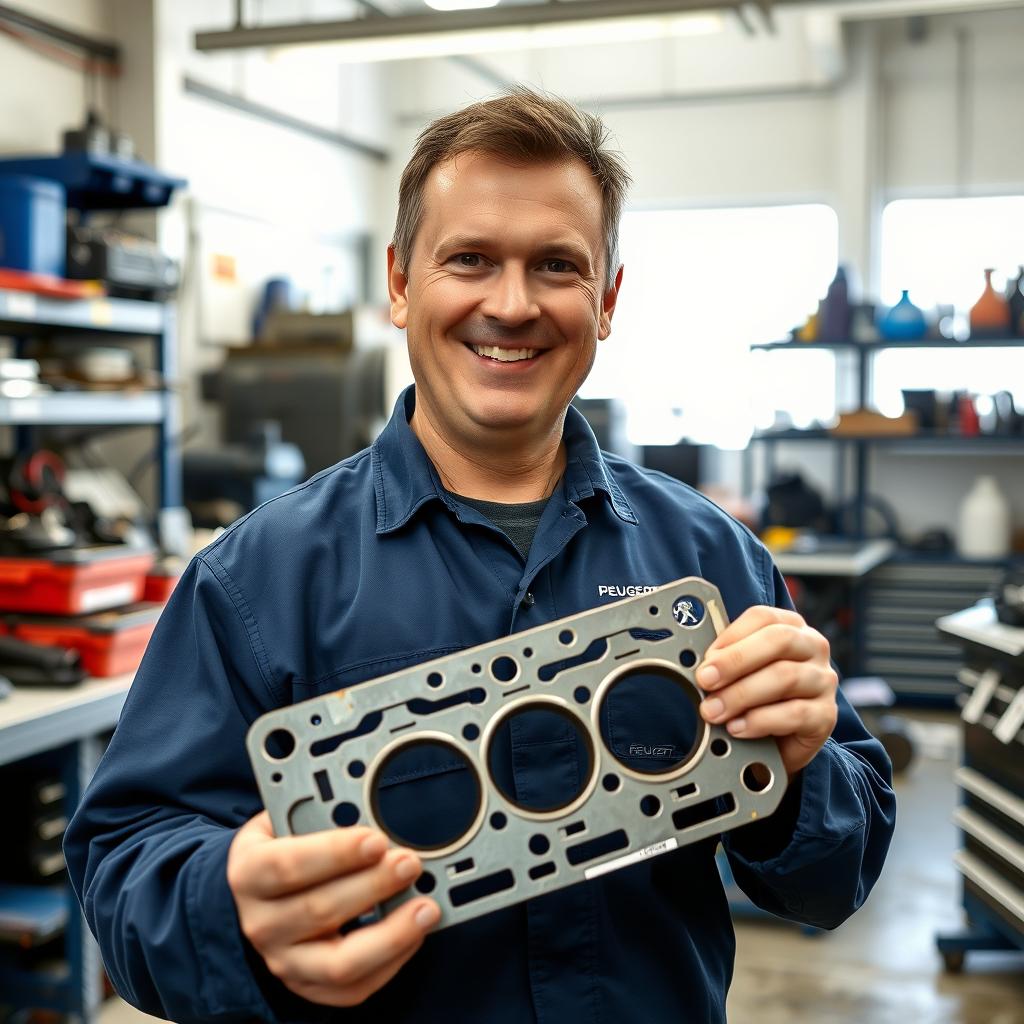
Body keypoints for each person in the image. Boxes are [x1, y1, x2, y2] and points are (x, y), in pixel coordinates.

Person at [64, 88, 896, 1023]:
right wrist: (229, 903)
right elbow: (124, 864)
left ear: (608, 298)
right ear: (400, 282)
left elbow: (836, 876)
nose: (512, 304)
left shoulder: (709, 560)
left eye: (556, 266)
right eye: (469, 259)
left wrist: (798, 769)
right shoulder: (257, 581)